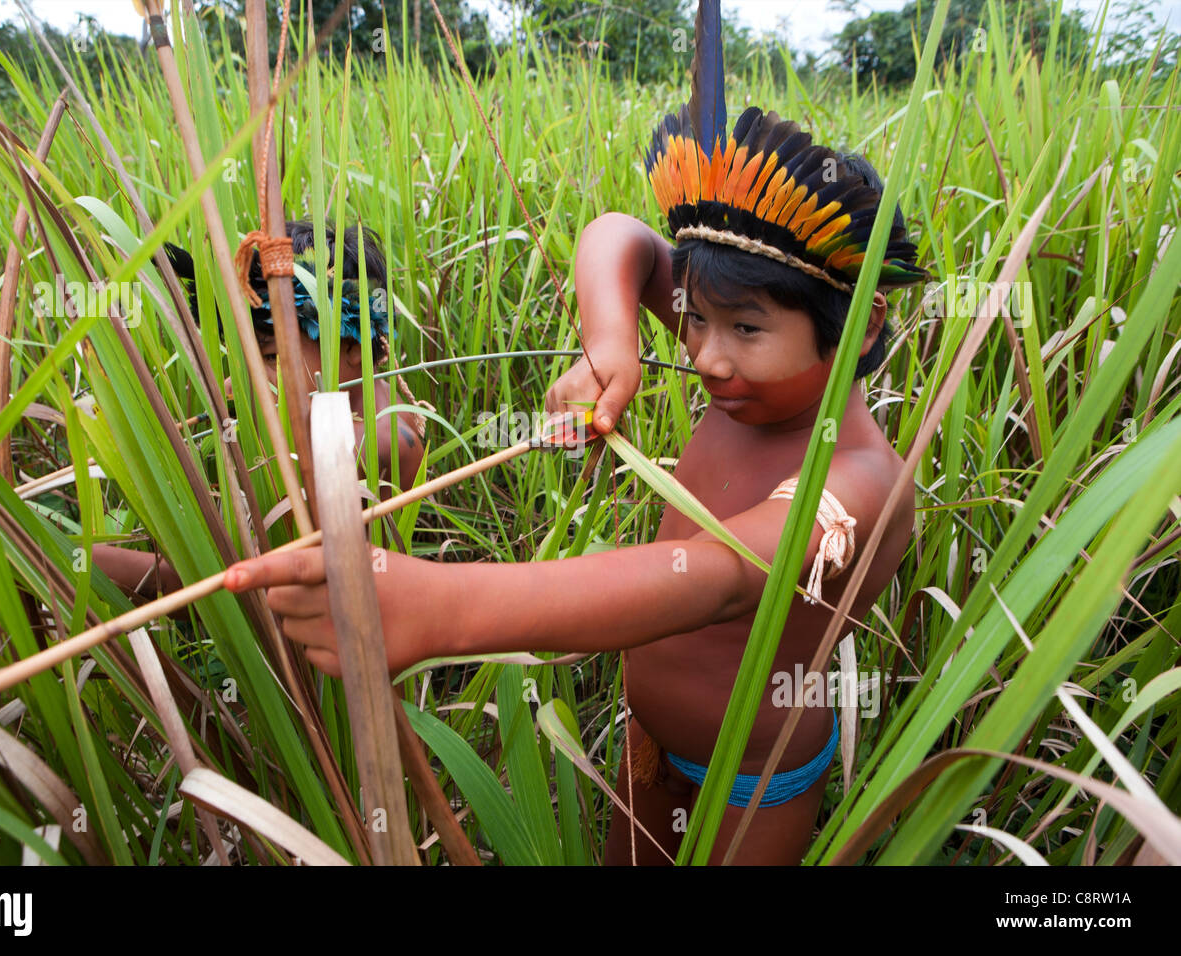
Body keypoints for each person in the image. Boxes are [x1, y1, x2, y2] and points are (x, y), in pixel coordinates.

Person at [219, 0, 927, 864]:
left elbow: (716, 577)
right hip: (649, 737)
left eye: (743, 329)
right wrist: (610, 345)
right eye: (693, 319)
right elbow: (620, 237)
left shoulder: (859, 479)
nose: (705, 356)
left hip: (754, 774)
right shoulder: (750, 375)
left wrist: (441, 605)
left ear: (859, 321)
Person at [94, 221, 427, 609]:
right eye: (245, 357)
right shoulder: (347, 393)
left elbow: (238, 591)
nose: (246, 381)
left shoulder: (373, 442)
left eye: (269, 357)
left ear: (351, 345)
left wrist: (78, 561)